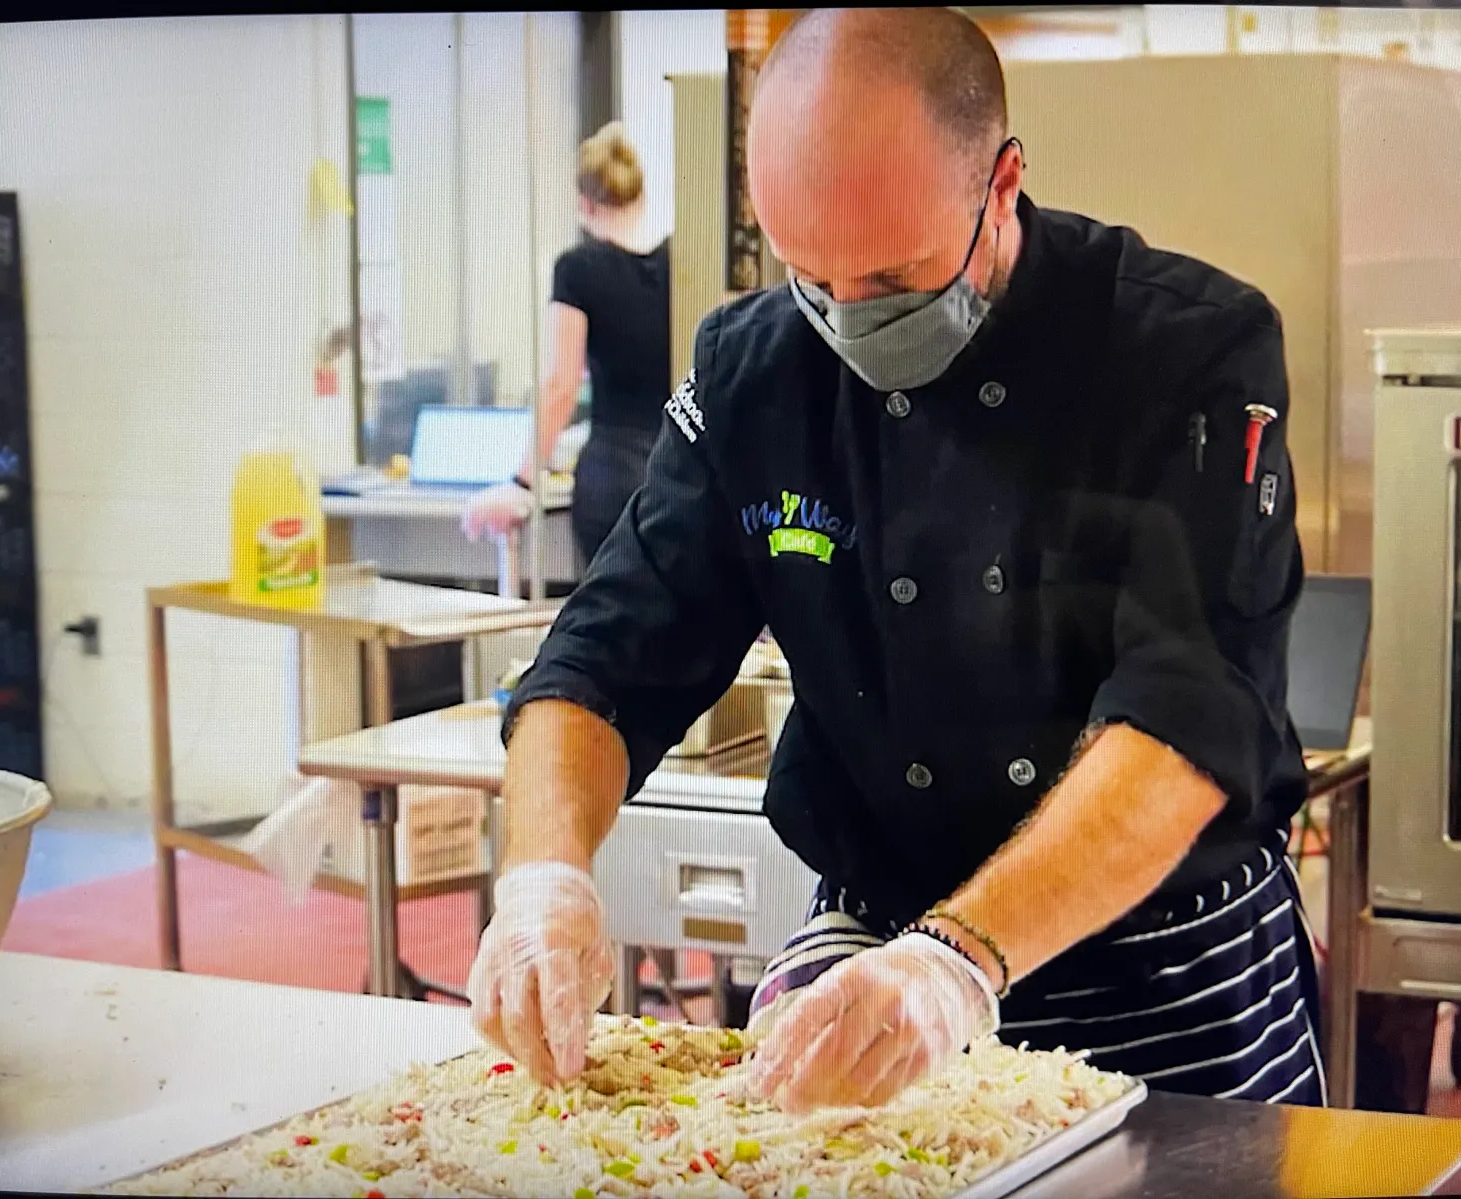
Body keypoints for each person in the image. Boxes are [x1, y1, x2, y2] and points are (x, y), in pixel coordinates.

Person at [466, 6, 1324, 1115]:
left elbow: (1185, 715)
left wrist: (958, 958)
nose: (849, 320)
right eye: (811, 277)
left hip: (1161, 964)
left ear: (1002, 181)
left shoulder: (1188, 350)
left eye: (895, 278)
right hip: (876, 956)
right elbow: (603, 655)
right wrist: (543, 874)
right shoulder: (756, 370)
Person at [461, 122, 672, 568]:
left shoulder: (578, 269)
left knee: (610, 619)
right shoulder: (679, 265)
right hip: (675, 469)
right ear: (641, 196)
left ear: (583, 204)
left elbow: (561, 383)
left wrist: (521, 482)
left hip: (613, 474)